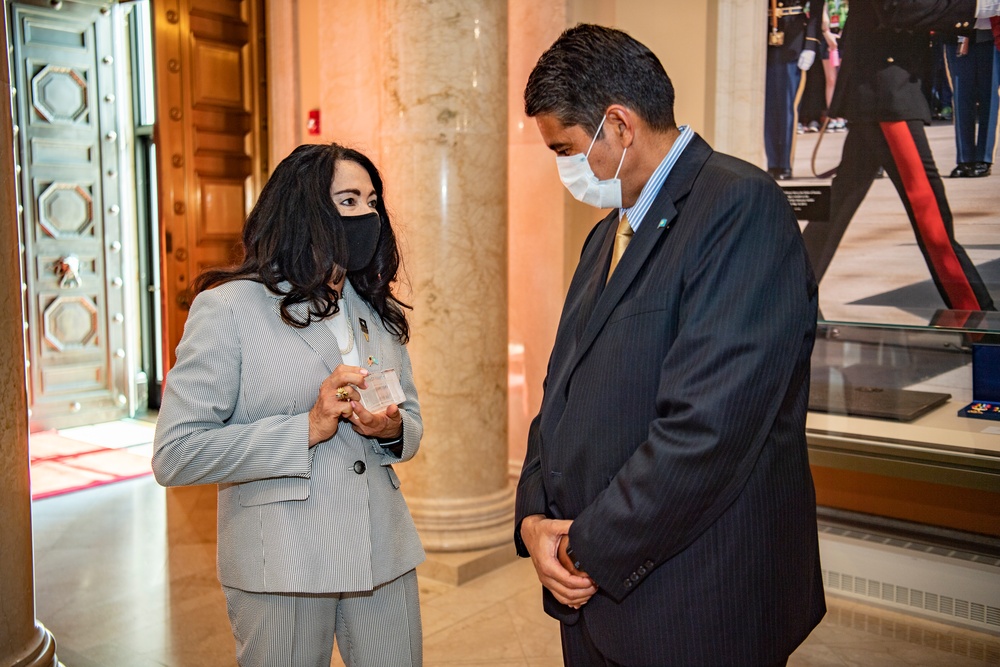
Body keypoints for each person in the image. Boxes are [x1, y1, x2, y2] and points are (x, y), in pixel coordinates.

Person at [515, 24, 825, 666]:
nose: (566, 169)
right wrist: (533, 519)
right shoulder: (605, 236)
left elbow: (708, 429)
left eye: (567, 149)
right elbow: (562, 390)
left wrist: (586, 548)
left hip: (692, 598)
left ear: (619, 126)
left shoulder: (740, 208)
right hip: (596, 599)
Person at [153, 143, 425, 666]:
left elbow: (410, 424)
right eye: (348, 200)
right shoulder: (230, 308)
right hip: (283, 562)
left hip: (383, 553)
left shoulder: (373, 309)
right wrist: (308, 426)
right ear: (305, 210)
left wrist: (388, 429)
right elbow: (176, 453)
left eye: (372, 201)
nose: (366, 215)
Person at [801, 1, 998, 312]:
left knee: (836, 209)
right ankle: (979, 323)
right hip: (886, 91)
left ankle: (783, 301)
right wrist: (973, 8)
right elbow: (900, 9)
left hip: (882, 85)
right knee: (931, 216)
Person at [765, 0, 823, 179]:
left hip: (793, 41)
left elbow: (816, 8)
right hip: (763, 39)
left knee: (787, 106)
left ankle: (784, 164)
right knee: (768, 108)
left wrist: (811, 44)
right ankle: (772, 162)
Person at [944, 24, 999, 177]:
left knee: (990, 98)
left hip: (990, 34)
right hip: (956, 33)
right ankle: (965, 159)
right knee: (961, 98)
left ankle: (984, 158)